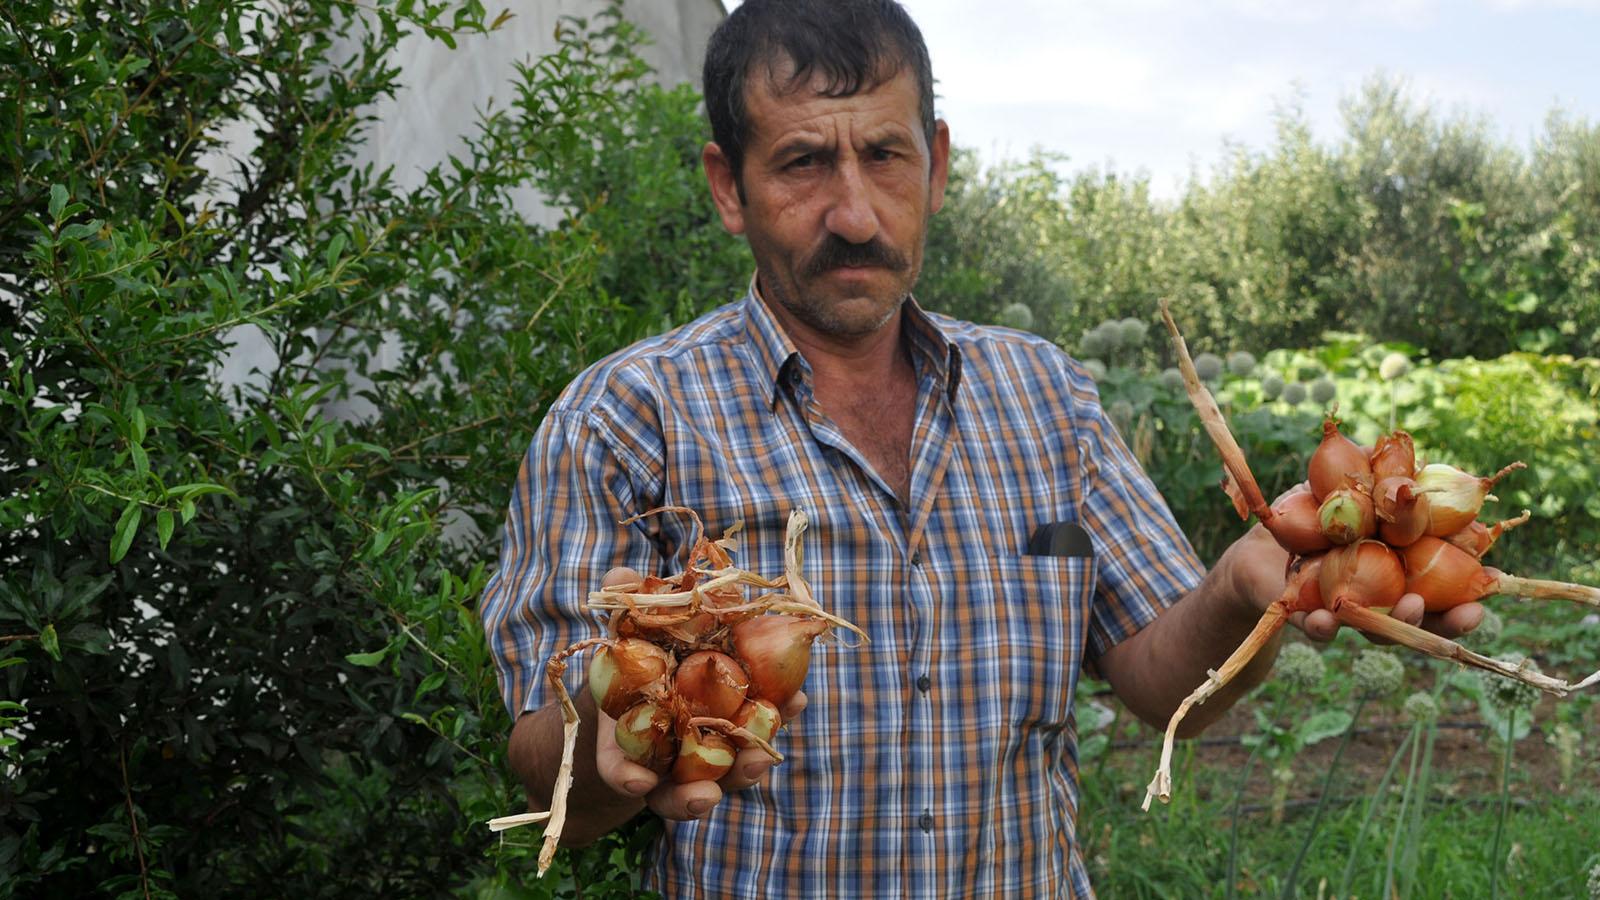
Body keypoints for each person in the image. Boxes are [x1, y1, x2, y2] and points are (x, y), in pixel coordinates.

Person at [479, 1, 1483, 895]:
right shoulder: (622, 416)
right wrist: (611, 750)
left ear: (939, 162)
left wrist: (1235, 592)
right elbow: (541, 751)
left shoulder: (1042, 395)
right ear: (727, 187)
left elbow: (1152, 677)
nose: (855, 213)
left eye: (884, 154)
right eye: (800, 163)